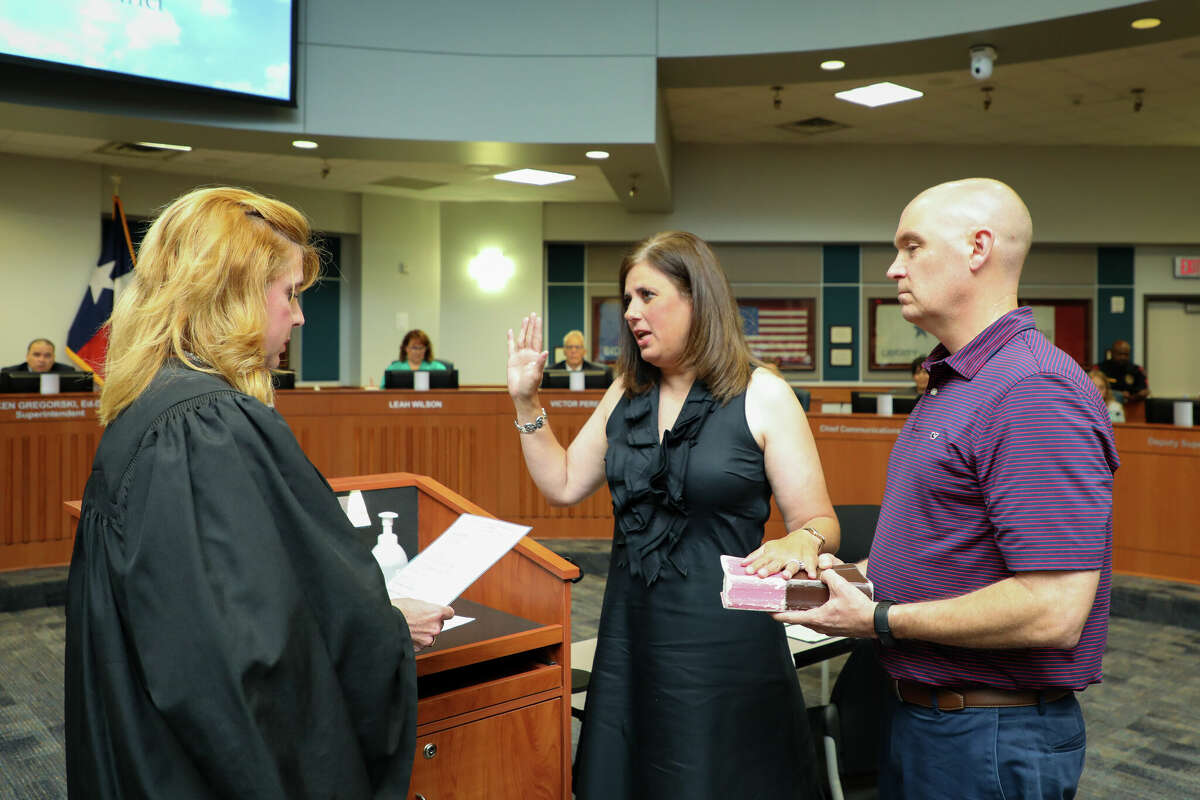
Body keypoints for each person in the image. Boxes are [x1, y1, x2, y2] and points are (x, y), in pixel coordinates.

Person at [65, 187, 453, 800]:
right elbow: (256, 653)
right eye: (290, 294)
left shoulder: (151, 407)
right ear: (232, 296)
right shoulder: (208, 426)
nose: (299, 317)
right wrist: (385, 629)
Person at [779, 179, 1119, 799]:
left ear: (978, 249)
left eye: (912, 247)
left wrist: (880, 618)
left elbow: (1055, 609)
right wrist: (846, 581)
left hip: (989, 734)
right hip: (930, 720)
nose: (893, 267)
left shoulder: (1030, 391)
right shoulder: (958, 381)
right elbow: (947, 550)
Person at [506, 231, 838, 799]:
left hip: (725, 646)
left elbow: (820, 521)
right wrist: (526, 402)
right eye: (627, 300)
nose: (631, 313)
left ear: (695, 298)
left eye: (647, 296)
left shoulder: (763, 394)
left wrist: (800, 541)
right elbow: (562, 485)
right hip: (631, 638)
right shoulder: (624, 393)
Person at [1097, 339, 1149, 403]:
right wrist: (1119, 394)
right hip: (1106, 406)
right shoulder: (1100, 369)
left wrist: (1136, 396)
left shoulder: (1136, 370)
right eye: (1120, 354)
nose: (1123, 357)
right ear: (1112, 353)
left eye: (1126, 354)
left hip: (1132, 406)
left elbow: (1144, 390)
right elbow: (1094, 391)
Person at [3, 338, 76, 373]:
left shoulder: (67, 372)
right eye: (36, 355)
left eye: (47, 356)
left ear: (54, 358)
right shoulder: (10, 373)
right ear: (27, 356)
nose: (41, 360)